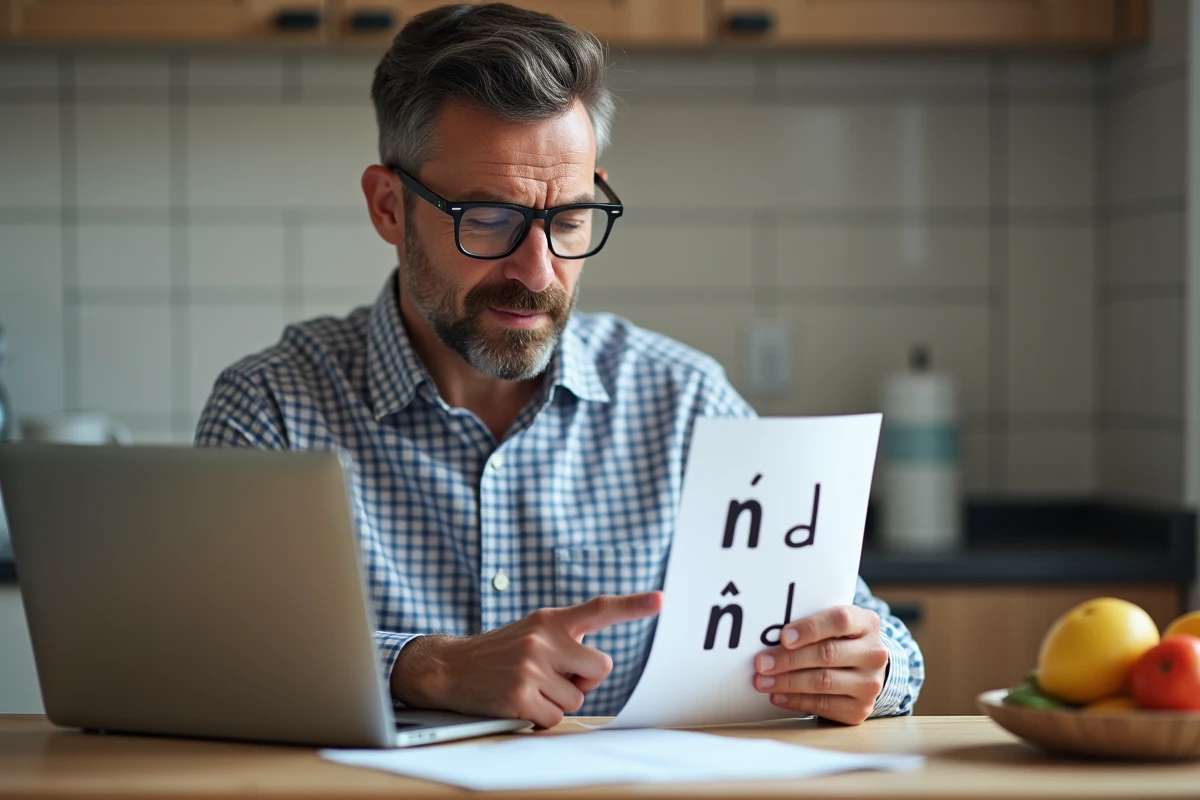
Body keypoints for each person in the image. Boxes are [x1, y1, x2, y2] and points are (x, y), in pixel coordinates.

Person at [196, 2, 924, 729]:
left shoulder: (683, 403)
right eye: (487, 219)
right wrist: (430, 668)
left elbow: (880, 640)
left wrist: (866, 666)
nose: (538, 271)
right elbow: (205, 657)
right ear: (389, 207)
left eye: (569, 219)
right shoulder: (272, 408)